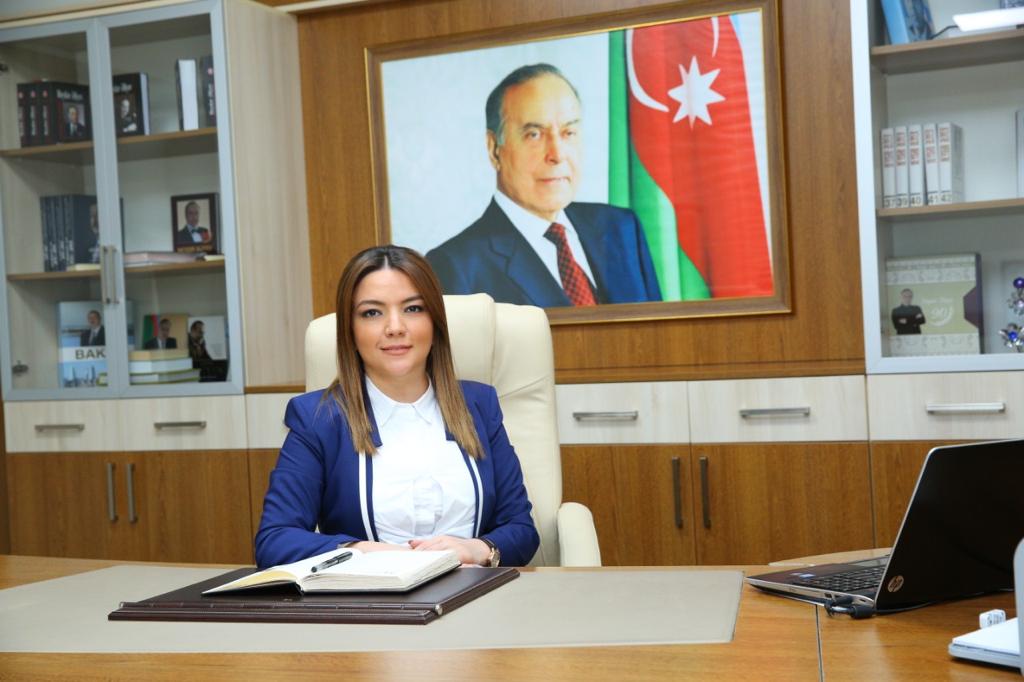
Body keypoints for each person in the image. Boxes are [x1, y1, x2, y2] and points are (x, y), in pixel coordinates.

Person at [255, 245, 539, 569]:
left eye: (413, 309)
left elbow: (521, 530)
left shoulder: (479, 406)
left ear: (434, 321)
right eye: (372, 313)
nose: (395, 327)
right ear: (351, 331)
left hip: (477, 591)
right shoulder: (317, 418)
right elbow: (274, 541)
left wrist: (478, 550)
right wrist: (369, 552)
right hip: (371, 598)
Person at [426, 63, 661, 308]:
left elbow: (658, 330)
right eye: (534, 135)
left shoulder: (621, 228)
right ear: (494, 149)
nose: (557, 154)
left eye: (569, 132)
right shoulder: (455, 267)